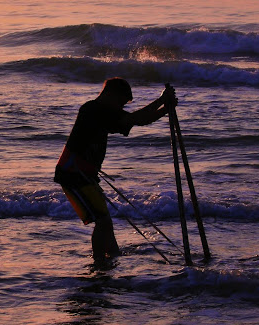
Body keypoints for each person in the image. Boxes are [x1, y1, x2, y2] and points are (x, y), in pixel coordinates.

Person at [54, 78, 177, 263]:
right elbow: (134, 118)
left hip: (85, 174)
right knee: (103, 221)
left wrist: (165, 109)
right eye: (121, 102)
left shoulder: (105, 112)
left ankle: (112, 257)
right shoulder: (93, 110)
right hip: (73, 173)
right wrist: (161, 102)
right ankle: (99, 263)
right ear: (110, 94)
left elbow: (137, 120)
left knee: (106, 221)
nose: (121, 107)